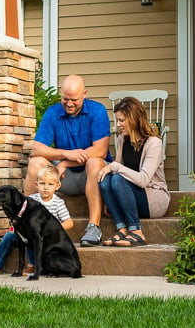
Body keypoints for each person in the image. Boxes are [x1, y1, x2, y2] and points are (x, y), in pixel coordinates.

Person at [24, 74, 111, 246]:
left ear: (84, 94)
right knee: (36, 163)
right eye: (65, 99)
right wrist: (65, 154)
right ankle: (27, 221)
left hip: (92, 175)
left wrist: (65, 162)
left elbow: (100, 150)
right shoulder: (53, 113)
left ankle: (94, 227)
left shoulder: (97, 111)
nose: (69, 104)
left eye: (74, 99)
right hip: (65, 178)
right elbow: (37, 148)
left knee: (94, 162)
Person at [97, 96, 169, 246]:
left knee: (116, 177)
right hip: (130, 196)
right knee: (105, 179)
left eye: (122, 120)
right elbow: (117, 172)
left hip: (153, 200)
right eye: (117, 120)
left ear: (134, 118)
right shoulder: (122, 140)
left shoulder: (154, 143)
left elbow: (143, 180)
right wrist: (109, 198)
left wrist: (115, 166)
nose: (118, 125)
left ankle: (137, 232)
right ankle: (121, 229)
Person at [0, 165, 73, 277]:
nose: (45, 187)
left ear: (58, 186)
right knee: (9, 236)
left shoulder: (58, 203)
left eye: (50, 184)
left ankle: (34, 265)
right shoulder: (31, 200)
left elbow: (69, 223)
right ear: (36, 184)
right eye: (42, 183)